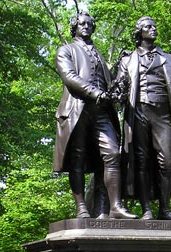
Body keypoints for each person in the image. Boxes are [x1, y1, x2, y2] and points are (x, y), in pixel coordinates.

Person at [114, 16, 171, 220]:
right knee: (141, 161)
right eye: (148, 27)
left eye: (154, 26)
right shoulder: (127, 60)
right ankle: (147, 210)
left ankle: (165, 208)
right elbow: (118, 90)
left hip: (163, 115)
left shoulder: (168, 59)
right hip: (138, 113)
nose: (153, 29)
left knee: (168, 162)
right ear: (139, 32)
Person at [53, 11, 137, 220]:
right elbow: (70, 78)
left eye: (90, 24)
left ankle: (113, 207)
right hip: (76, 110)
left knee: (112, 154)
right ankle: (81, 207)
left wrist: (119, 69)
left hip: (101, 112)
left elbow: (107, 82)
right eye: (82, 24)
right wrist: (96, 93)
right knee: (77, 158)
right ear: (75, 27)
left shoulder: (98, 54)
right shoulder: (66, 50)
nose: (87, 27)